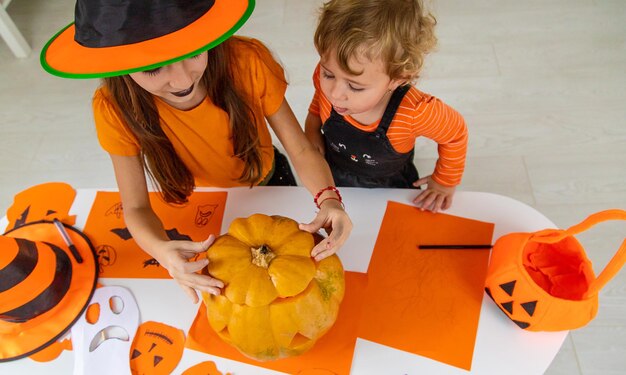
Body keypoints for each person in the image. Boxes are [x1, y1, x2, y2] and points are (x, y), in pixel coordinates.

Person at [40, 0, 352, 303]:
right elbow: (135, 208)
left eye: (192, 52)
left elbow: (298, 147)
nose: (182, 78)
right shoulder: (113, 108)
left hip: (268, 181)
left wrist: (329, 199)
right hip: (196, 208)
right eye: (153, 68)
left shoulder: (247, 61)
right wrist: (161, 250)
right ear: (118, 64)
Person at [305, 0, 468, 213]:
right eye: (328, 74)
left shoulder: (416, 112)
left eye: (354, 87)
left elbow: (455, 134)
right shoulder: (330, 79)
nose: (335, 94)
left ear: (398, 79)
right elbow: (318, 102)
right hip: (332, 175)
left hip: (390, 187)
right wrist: (312, 130)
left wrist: (445, 181)